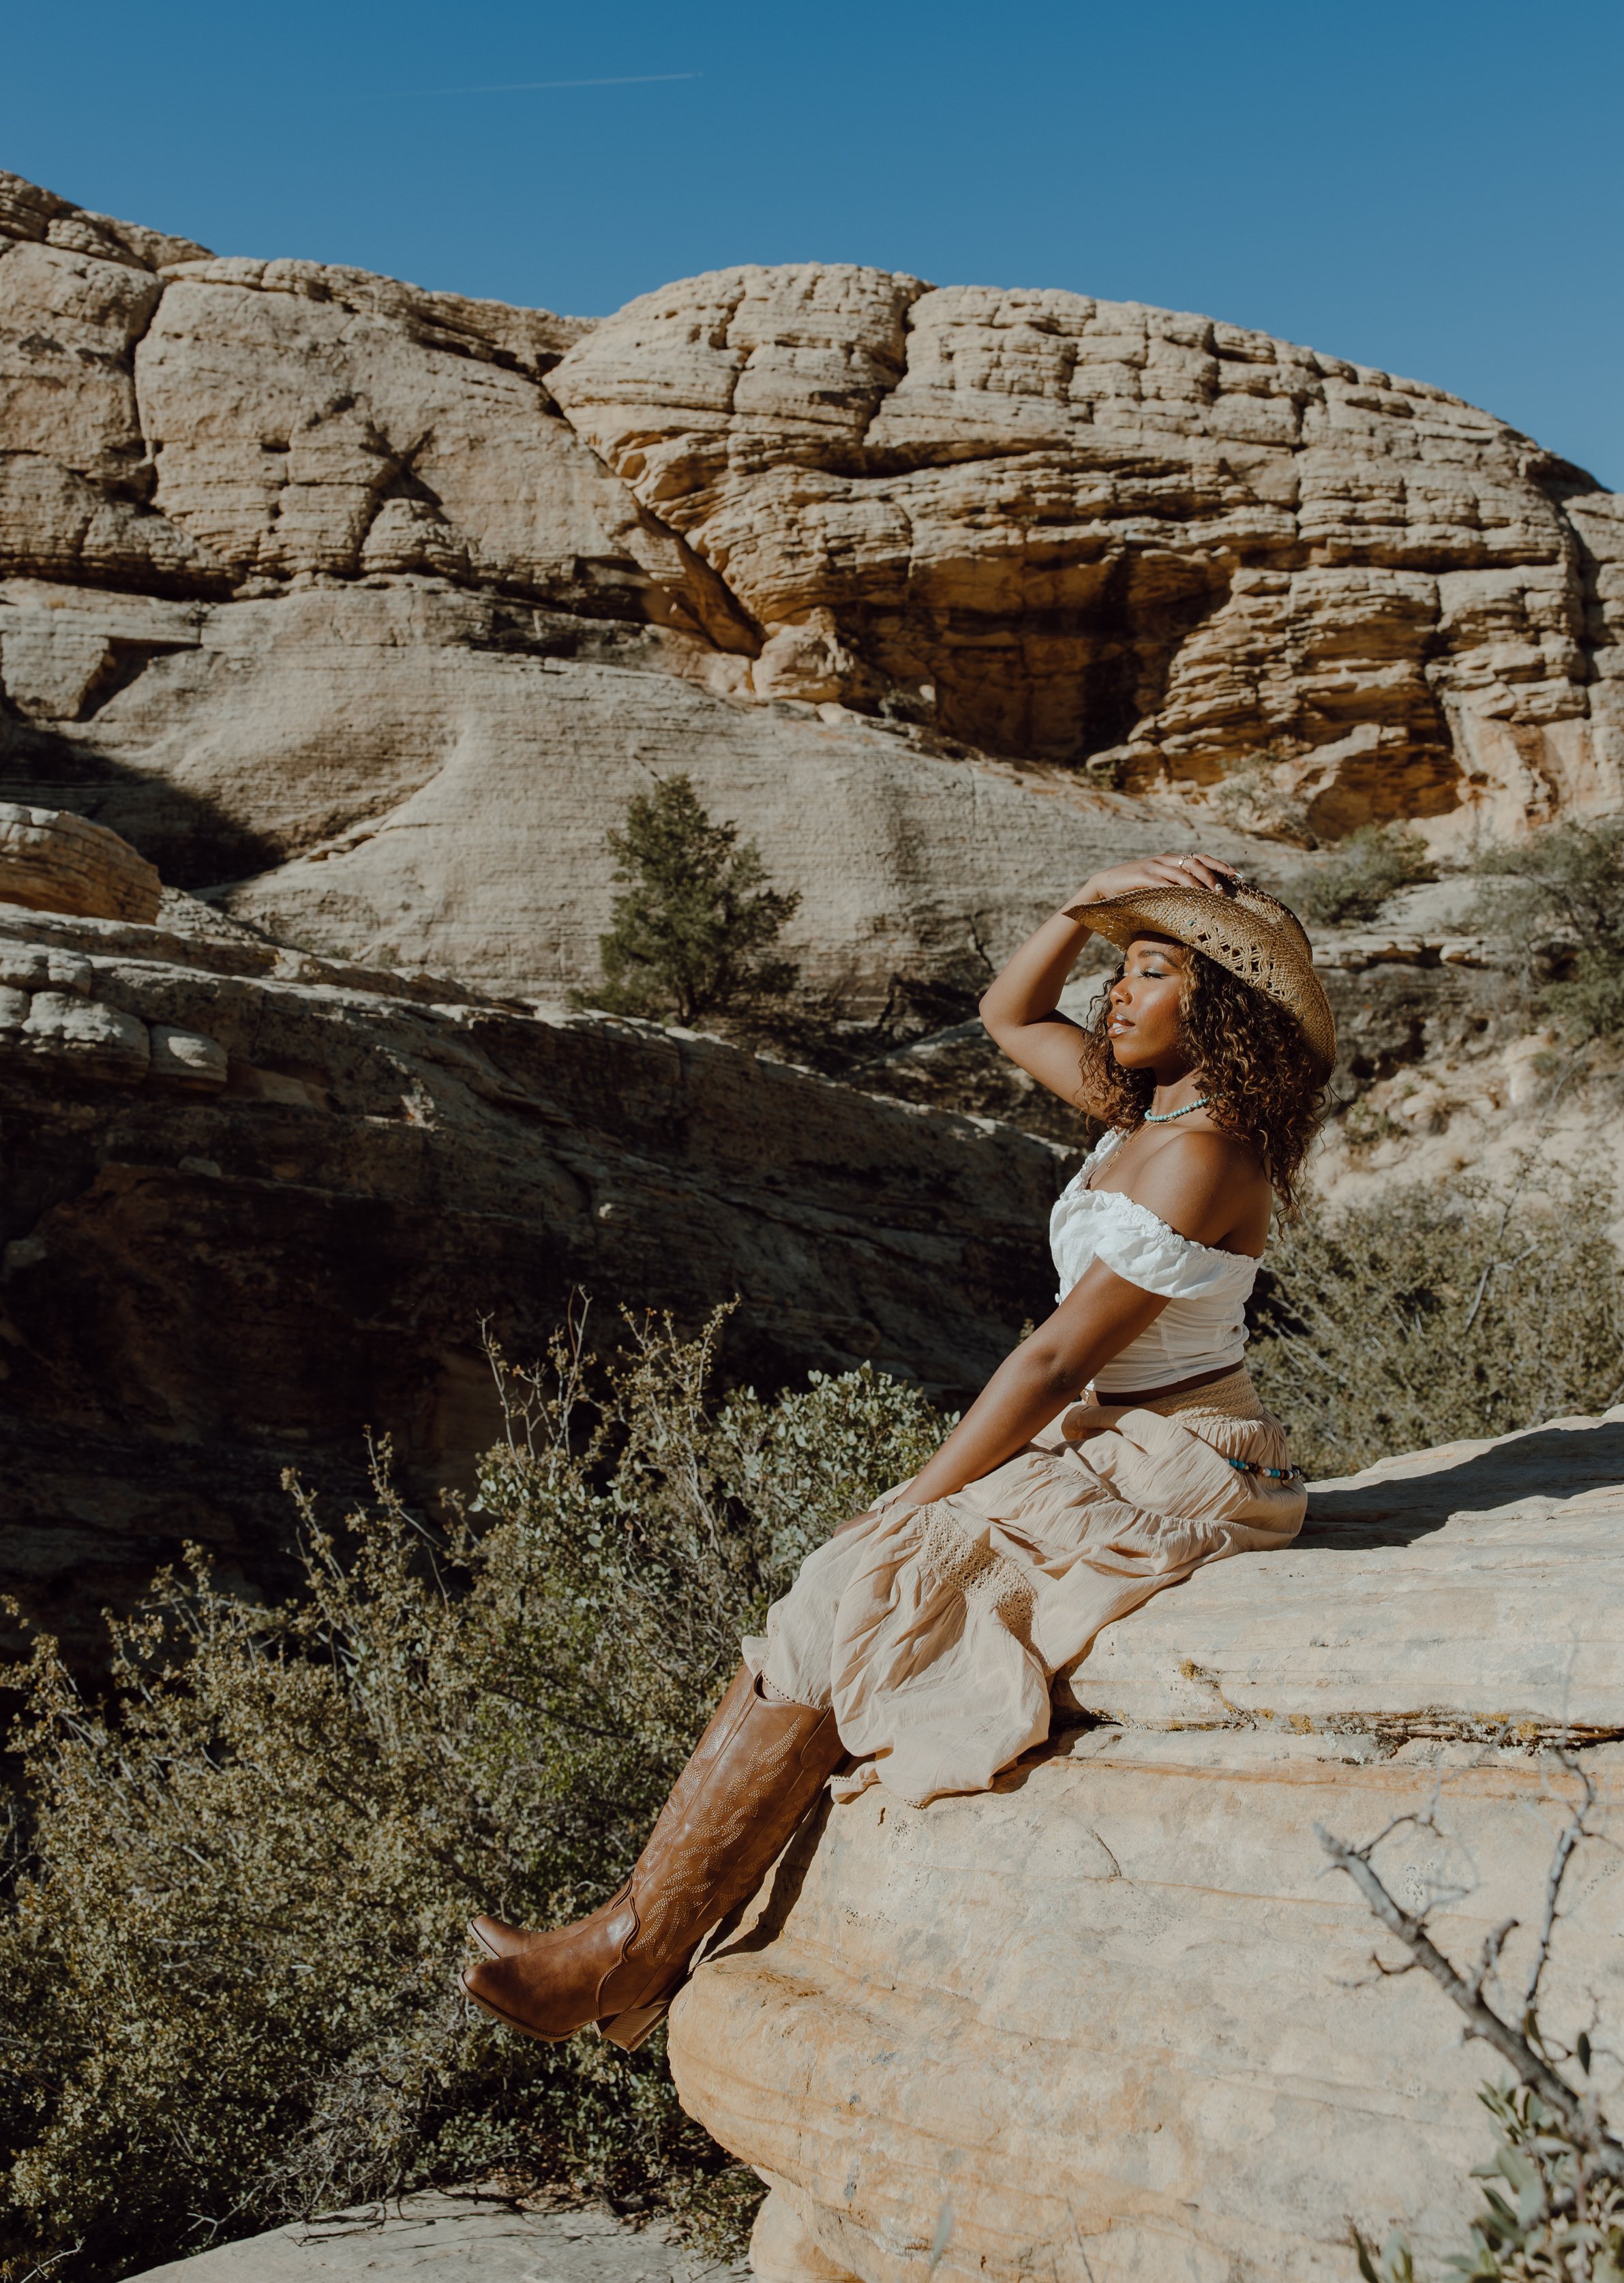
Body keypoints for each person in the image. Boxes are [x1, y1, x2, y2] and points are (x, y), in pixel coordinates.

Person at [462, 852, 1336, 2048]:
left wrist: (918, 1494)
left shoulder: (1206, 1149)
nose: (1114, 994)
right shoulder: (1148, 1112)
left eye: (1149, 971)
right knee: (845, 1583)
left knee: (875, 1568)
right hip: (1107, 1432)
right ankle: (625, 1943)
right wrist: (1084, 900)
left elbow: (1052, 1362)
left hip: (1179, 1453)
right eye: (1119, 969)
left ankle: (627, 1956)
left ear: (1220, 1005)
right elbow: (1008, 1013)